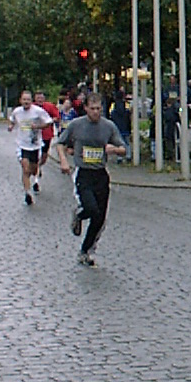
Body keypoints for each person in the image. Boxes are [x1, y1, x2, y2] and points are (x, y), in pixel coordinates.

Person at [55, 91, 126, 265]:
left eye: (99, 108)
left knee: (100, 218)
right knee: (91, 208)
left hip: (100, 174)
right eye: (92, 108)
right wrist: (64, 161)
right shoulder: (76, 125)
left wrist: (114, 150)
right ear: (85, 108)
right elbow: (60, 143)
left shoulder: (108, 126)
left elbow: (123, 148)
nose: (96, 112)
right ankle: (79, 214)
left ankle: (86, 251)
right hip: (83, 173)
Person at [8, 90, 56, 206]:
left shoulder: (38, 111)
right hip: (22, 145)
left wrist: (38, 126)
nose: (26, 102)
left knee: (33, 169)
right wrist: (11, 126)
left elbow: (49, 122)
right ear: (20, 100)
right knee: (25, 168)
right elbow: (12, 121)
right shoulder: (17, 111)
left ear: (31, 101)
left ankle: (36, 174)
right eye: (24, 100)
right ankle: (27, 193)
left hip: (35, 145)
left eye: (28, 100)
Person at [33, 91, 58, 188]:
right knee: (35, 156)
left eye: (41, 98)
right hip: (34, 136)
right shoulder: (31, 107)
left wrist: (49, 121)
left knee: (43, 156)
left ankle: (39, 166)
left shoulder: (50, 106)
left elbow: (57, 117)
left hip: (46, 135)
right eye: (37, 98)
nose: (39, 100)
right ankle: (36, 178)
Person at [109, 90, 132, 156]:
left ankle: (119, 157)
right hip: (126, 126)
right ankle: (128, 155)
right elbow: (129, 114)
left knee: (118, 143)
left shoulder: (113, 105)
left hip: (117, 127)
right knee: (127, 142)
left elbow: (111, 115)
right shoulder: (126, 105)